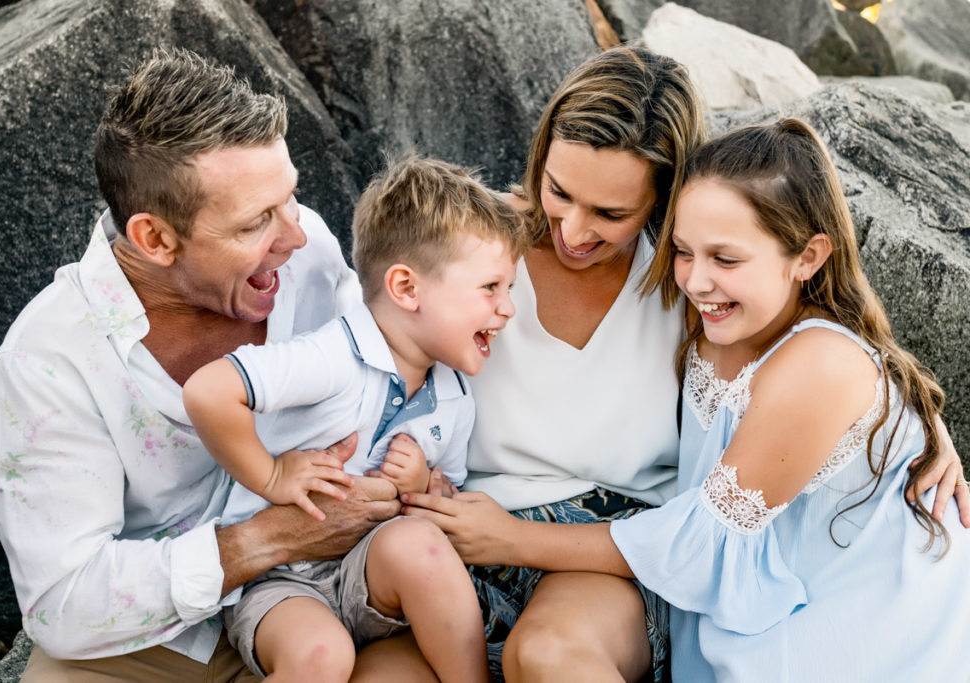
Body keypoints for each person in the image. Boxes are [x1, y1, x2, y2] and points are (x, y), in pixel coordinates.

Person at [398, 44, 970, 682]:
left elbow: (817, 345)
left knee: (550, 653)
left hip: (624, 548)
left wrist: (917, 423)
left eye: (612, 213)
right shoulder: (478, 246)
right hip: (466, 519)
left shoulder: (686, 290)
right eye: (559, 190)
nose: (574, 232)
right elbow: (374, 332)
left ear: (663, 202)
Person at [0, 48, 400, 681]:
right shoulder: (47, 362)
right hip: (152, 642)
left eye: (289, 197)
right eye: (255, 223)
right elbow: (65, 604)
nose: (294, 235)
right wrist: (271, 537)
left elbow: (383, 379)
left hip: (325, 589)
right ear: (155, 239)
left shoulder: (306, 250)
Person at [607, 117, 970, 679]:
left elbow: (702, 542)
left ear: (808, 256)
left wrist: (511, 538)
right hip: (774, 599)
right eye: (682, 250)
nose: (696, 280)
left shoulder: (817, 357)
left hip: (872, 634)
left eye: (726, 259)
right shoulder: (720, 312)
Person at [182, 156, 527, 682]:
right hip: (281, 581)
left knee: (419, 546)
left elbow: (446, 497)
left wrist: (422, 487)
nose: (508, 309)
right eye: (490, 288)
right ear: (406, 288)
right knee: (323, 656)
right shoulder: (332, 356)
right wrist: (272, 476)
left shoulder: (455, 395)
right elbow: (209, 391)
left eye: (509, 289)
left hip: (370, 575)